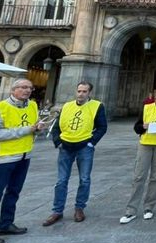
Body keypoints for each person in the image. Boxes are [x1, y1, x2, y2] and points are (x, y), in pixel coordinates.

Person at [0, 79, 44, 243]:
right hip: (5, 157)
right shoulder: (0, 107)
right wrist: (27, 130)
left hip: (24, 155)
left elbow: (32, 127)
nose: (27, 90)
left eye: (30, 87)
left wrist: (37, 129)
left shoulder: (33, 106)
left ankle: (6, 224)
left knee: (14, 192)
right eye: (23, 87)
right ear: (13, 90)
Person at [43, 81, 108, 226]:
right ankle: (57, 210)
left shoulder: (97, 106)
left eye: (84, 91)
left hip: (85, 146)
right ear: (76, 91)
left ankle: (79, 208)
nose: (81, 94)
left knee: (84, 179)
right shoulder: (67, 106)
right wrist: (58, 141)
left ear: (89, 93)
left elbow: (102, 127)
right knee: (61, 180)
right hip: (65, 146)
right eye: (79, 91)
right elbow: (57, 126)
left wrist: (91, 143)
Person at [119, 86, 156, 224]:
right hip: (145, 144)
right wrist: (143, 127)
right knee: (139, 176)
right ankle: (131, 210)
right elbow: (137, 127)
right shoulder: (146, 108)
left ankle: (149, 207)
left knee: (155, 177)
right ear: (155, 97)